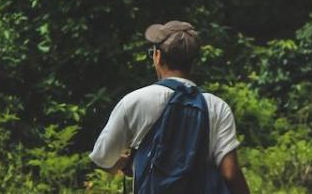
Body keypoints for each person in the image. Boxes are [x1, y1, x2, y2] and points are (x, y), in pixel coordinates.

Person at [89, 20, 250, 194]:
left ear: (157, 56)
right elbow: (230, 173)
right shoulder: (217, 107)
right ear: (193, 61)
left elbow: (102, 159)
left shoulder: (135, 101)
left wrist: (130, 163)